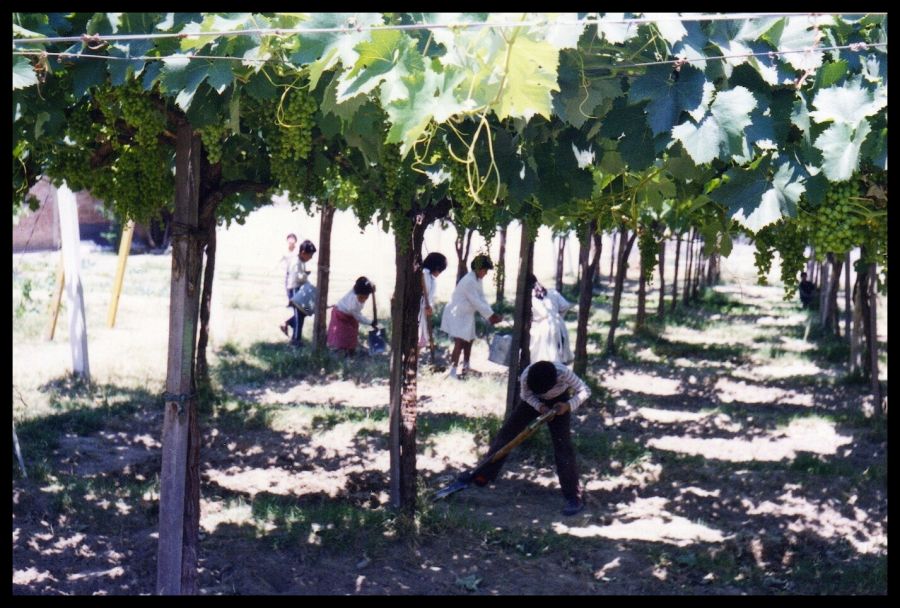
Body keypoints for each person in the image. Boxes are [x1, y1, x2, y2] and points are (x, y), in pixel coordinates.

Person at [457, 360, 591, 516]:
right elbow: (526, 396)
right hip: (532, 402)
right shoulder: (527, 376)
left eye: (545, 392)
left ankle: (573, 496)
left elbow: (585, 390)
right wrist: (540, 406)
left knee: (563, 446)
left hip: (560, 402)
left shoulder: (563, 373)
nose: (545, 395)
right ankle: (483, 473)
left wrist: (567, 406)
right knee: (506, 434)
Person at [440, 254, 502, 378]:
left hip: (466, 314)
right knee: (460, 342)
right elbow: (476, 301)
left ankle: (466, 367)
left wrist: (491, 314)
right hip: (456, 313)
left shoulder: (477, 280)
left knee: (469, 340)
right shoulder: (469, 281)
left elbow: (482, 298)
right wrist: (490, 316)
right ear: (479, 269)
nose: (485, 273)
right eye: (485, 270)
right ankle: (452, 372)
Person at [529, 275, 575, 365]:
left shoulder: (529, 298)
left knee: (543, 360)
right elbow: (565, 306)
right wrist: (558, 316)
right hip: (558, 325)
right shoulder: (552, 292)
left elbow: (540, 314)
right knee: (557, 358)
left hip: (542, 330)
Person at [327, 276, 377, 356]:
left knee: (351, 334)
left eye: (366, 297)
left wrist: (371, 287)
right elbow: (359, 317)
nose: (364, 299)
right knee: (341, 335)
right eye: (361, 297)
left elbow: (365, 282)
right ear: (357, 294)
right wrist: (370, 322)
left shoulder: (357, 290)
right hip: (340, 316)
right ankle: (338, 350)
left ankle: (350, 350)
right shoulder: (353, 304)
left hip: (349, 315)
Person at [280, 239, 316, 346]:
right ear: (303, 253)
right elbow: (298, 277)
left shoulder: (300, 261)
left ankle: (287, 324)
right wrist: (305, 275)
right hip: (295, 289)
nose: (311, 258)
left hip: (298, 288)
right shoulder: (296, 262)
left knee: (304, 312)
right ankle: (296, 340)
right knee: (299, 315)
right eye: (310, 255)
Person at [419, 252, 448, 353]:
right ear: (436, 267)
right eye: (440, 270)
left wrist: (429, 306)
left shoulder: (431, 278)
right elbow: (422, 296)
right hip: (418, 313)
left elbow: (429, 297)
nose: (439, 273)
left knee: (421, 341)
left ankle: (414, 366)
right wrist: (426, 307)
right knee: (417, 341)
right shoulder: (424, 275)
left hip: (423, 312)